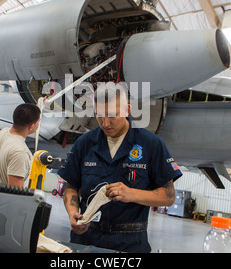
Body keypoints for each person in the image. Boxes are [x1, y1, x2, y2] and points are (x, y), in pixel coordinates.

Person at [58, 83, 182, 253]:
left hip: (129, 244)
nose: (105, 123)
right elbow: (71, 187)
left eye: (112, 115)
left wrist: (132, 194)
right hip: (85, 241)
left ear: (127, 110)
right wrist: (73, 213)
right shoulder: (84, 144)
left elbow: (169, 196)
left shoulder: (151, 144)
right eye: (99, 115)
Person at [0, 103, 41, 188]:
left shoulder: (3, 133)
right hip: (8, 200)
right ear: (31, 126)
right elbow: (16, 193)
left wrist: (39, 105)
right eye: (39, 121)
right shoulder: (20, 152)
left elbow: (25, 115)